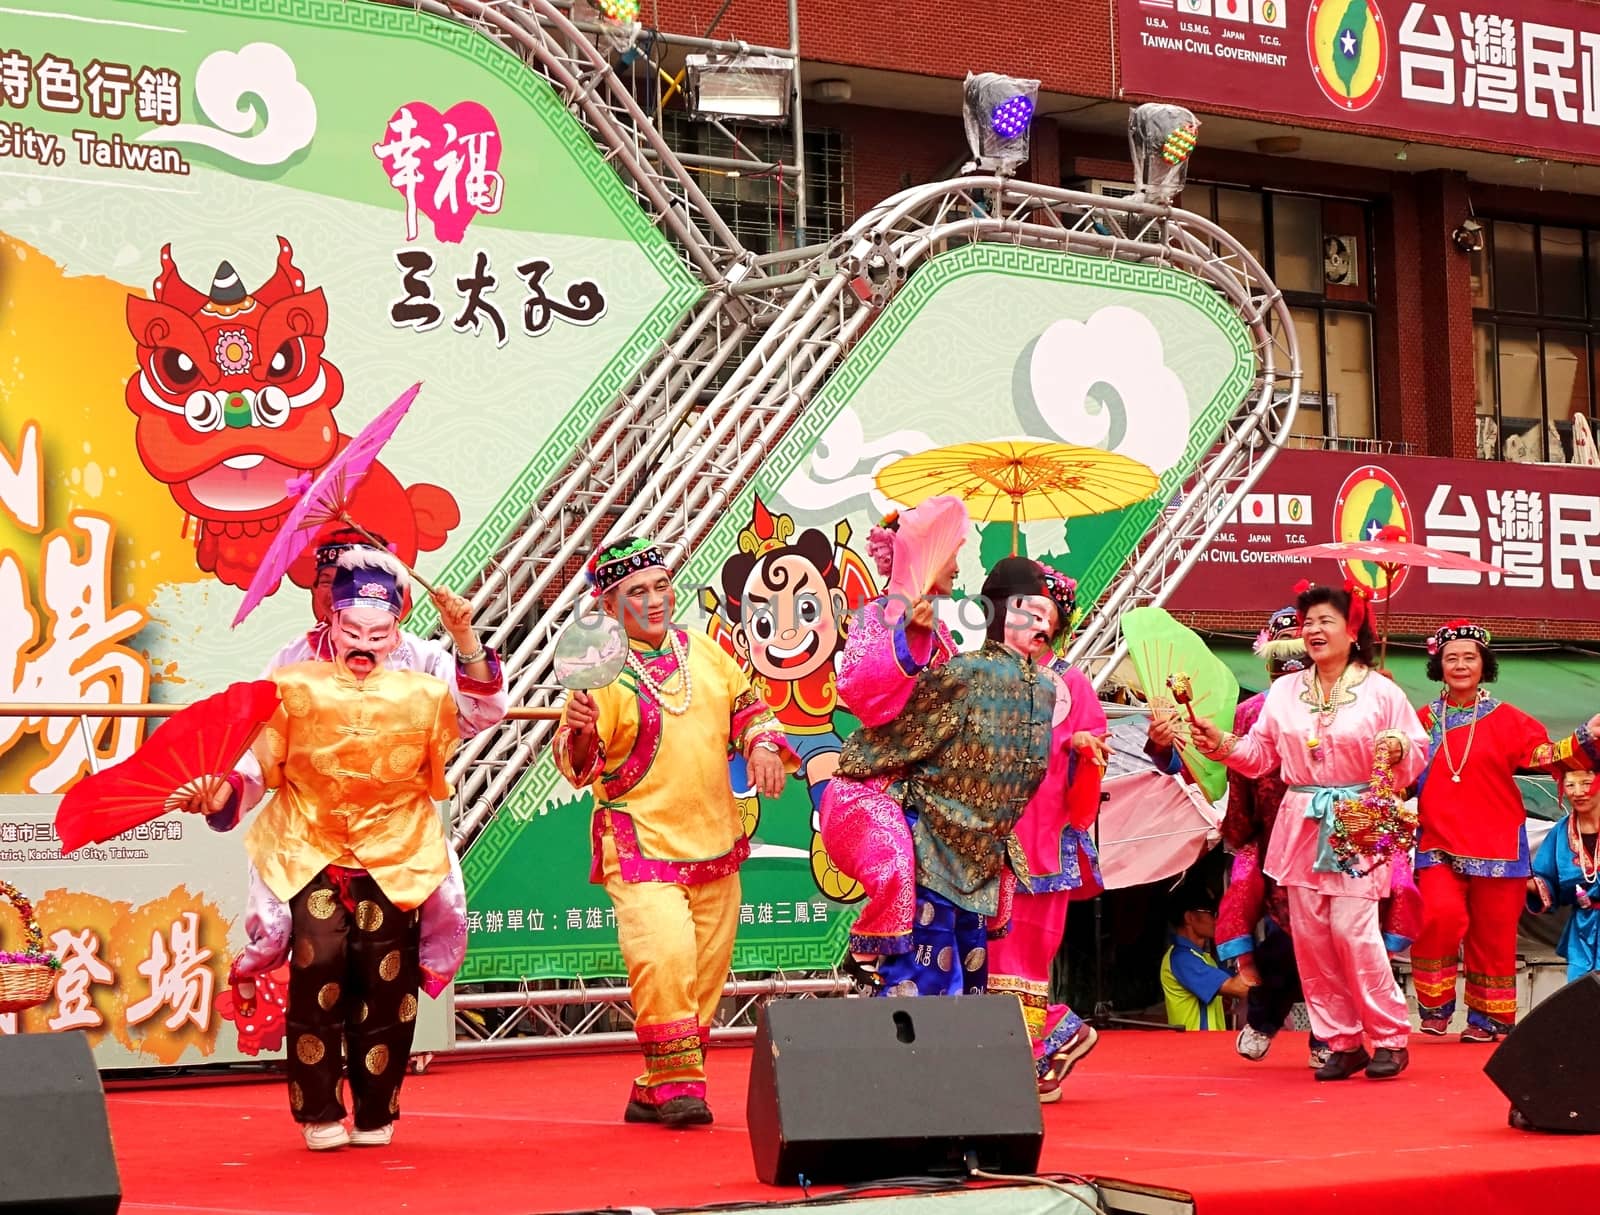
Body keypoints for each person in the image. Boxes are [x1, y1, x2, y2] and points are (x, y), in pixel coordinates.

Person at [177, 549, 464, 1150]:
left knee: (387, 984)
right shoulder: (292, 681)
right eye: (352, 631)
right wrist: (223, 791)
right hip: (312, 848)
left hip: (394, 851)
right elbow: (259, 762)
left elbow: (456, 749)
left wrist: (464, 637)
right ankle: (318, 1110)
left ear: (398, 626)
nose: (364, 644)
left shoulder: (427, 689)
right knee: (318, 969)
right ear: (331, 623)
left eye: (378, 633)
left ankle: (377, 1109)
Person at [553, 536, 794, 1128]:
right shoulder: (599, 672)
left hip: (714, 837)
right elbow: (578, 763)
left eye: (661, 586)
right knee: (665, 958)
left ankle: (652, 1085)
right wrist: (582, 729)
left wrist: (761, 746)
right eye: (637, 592)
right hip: (639, 842)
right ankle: (680, 1086)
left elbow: (749, 710)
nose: (655, 600)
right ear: (609, 608)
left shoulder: (706, 653)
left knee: (705, 971)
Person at [1193, 580, 1428, 1081]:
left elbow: (1416, 752)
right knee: (1312, 937)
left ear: (1353, 628)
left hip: (1357, 821)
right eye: (1310, 622)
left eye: (1326, 620)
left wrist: (1397, 748)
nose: (1315, 630)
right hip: (1300, 821)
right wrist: (1222, 744)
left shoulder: (1382, 690)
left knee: (1353, 931)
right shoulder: (1284, 692)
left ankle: (1388, 1035)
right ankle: (1341, 1041)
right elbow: (1262, 758)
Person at [834, 557, 1058, 997]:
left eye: (1045, 615)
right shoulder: (1037, 686)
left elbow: (901, 734)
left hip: (954, 848)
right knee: (949, 992)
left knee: (939, 987)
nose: (956, 568)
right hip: (957, 846)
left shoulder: (972, 670)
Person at [1413, 619, 1600, 1040]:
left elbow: (1545, 754)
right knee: (1439, 916)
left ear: (1484, 665)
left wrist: (1583, 737)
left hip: (1497, 840)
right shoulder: (1421, 720)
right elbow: (1401, 770)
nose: (1460, 665)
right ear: (1438, 665)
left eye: (1469, 657)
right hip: (1438, 839)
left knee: (1494, 932)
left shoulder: (1509, 719)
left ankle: (1488, 1017)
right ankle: (1436, 1005)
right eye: (1451, 658)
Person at [820, 502, 964, 993]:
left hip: (934, 802)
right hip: (875, 792)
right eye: (953, 553)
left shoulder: (942, 632)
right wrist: (908, 643)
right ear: (927, 552)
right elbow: (856, 687)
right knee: (897, 868)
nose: (959, 567)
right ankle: (872, 962)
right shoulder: (880, 617)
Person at [987, 565, 1109, 1100]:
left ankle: (1047, 1045)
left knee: (1023, 954)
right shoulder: (985, 675)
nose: (1032, 622)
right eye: (1020, 610)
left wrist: (1085, 747)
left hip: (1042, 839)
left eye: (1042, 615)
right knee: (985, 952)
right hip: (987, 837)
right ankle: (1039, 1044)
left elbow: (1096, 753)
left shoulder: (1071, 685)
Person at [1208, 606, 1329, 1067]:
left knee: (1331, 941)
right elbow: (1241, 778)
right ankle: (1270, 1019)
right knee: (1286, 939)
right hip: (1276, 841)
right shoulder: (1250, 713)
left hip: (1330, 838)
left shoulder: (1343, 706)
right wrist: (1240, 834)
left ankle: (1325, 1033)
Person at [266, 527, 507, 738]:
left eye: (345, 582)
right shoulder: (294, 658)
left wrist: (463, 635)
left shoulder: (419, 659)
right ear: (314, 588)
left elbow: (481, 713)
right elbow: (259, 738)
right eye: (326, 581)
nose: (334, 594)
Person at [1527, 770, 1600, 983]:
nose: (1578, 792)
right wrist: (1523, 882)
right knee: (1580, 994)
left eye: (1586, 783)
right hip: (1583, 928)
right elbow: (1545, 878)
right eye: (1570, 786)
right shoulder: (1561, 832)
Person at [1161, 883, 1251, 1030]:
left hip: (1208, 1046)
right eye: (1211, 913)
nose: (1216, 920)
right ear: (1189, 917)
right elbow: (1240, 988)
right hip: (1193, 1048)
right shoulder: (1182, 959)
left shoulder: (1204, 959)